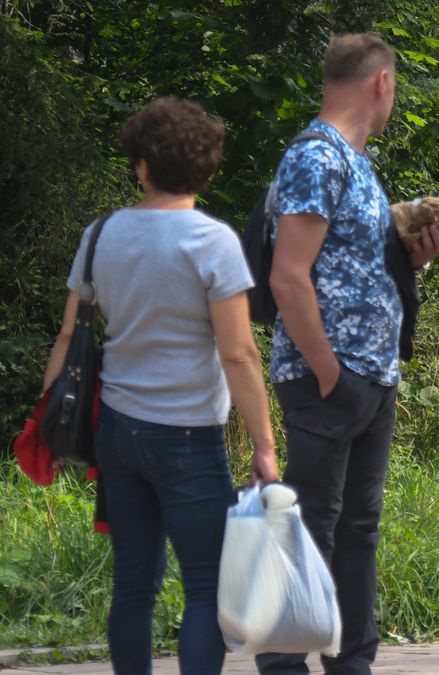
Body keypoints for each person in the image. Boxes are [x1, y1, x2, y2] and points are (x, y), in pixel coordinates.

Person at [40, 96, 279, 675]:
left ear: (142, 165)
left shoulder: (101, 235)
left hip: (118, 433)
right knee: (205, 587)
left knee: (132, 585)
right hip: (188, 437)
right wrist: (265, 446)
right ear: (206, 168)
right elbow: (238, 352)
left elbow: (70, 334)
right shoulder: (213, 241)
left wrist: (49, 423)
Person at [257, 33, 439, 674]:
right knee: (310, 524)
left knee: (356, 529)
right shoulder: (317, 157)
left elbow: (352, 268)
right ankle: (284, 664)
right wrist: (327, 370)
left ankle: (351, 661)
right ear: (381, 83)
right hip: (330, 376)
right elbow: (288, 276)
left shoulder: (358, 164)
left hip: (372, 375)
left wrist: (413, 256)